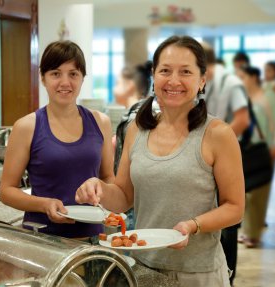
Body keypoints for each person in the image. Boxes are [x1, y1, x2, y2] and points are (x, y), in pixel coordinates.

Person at [76, 35, 245, 287]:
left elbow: (234, 207)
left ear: (201, 80)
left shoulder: (217, 133)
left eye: (185, 72)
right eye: (165, 71)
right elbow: (123, 196)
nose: (174, 80)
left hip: (198, 273)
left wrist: (192, 225)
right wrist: (98, 188)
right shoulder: (137, 129)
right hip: (143, 267)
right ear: (154, 76)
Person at [0, 40, 115, 240]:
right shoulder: (27, 126)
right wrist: (44, 204)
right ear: (43, 78)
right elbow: (7, 191)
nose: (65, 82)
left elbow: (107, 178)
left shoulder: (100, 122)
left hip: (92, 240)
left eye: (73, 74)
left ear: (82, 78)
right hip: (43, 242)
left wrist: (101, 192)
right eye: (55, 73)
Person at [202, 42, 250, 286]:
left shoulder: (230, 82)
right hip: (201, 157)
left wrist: (220, 142)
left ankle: (228, 275)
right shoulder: (205, 84)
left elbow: (242, 118)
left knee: (227, 216)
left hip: (223, 157)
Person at [236, 66, 275, 248]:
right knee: (247, 191)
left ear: (254, 77)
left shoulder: (268, 96)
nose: (241, 81)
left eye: (243, 77)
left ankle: (254, 233)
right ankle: (248, 229)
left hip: (266, 148)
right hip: (247, 149)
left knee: (259, 192)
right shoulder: (243, 97)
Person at [113, 61, 155, 231]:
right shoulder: (141, 113)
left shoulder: (137, 118)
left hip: (133, 205)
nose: (114, 88)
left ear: (130, 86)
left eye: (117, 82)